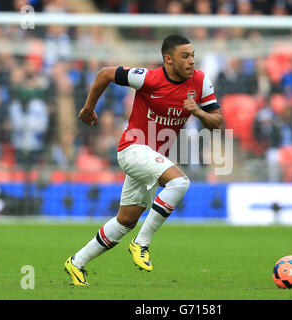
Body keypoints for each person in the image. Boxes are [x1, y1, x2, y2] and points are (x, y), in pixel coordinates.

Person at [64, 35, 223, 286]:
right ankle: (141, 243)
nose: (192, 60)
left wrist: (198, 112)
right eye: (185, 56)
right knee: (180, 183)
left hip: (152, 156)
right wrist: (88, 108)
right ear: (168, 59)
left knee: (125, 220)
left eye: (193, 55)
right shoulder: (149, 78)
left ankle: (76, 263)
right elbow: (106, 73)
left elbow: (217, 122)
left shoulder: (201, 82)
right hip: (132, 148)